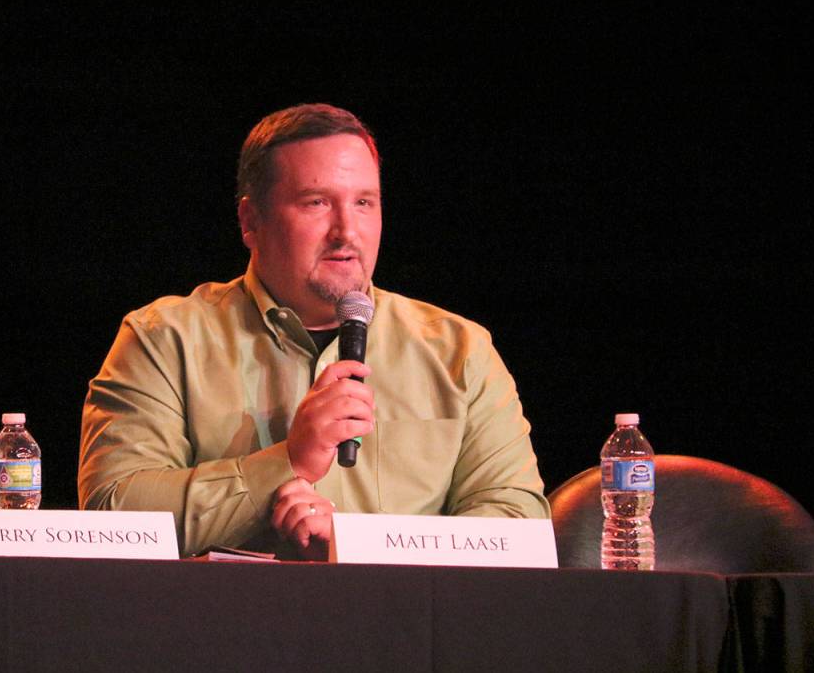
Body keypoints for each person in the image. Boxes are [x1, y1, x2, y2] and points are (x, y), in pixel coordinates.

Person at [78, 103, 549, 559]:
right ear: (250, 221)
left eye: (364, 203)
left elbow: (519, 523)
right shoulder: (164, 339)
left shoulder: (460, 350)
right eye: (317, 203)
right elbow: (113, 513)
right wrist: (288, 463)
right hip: (222, 630)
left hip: (402, 631)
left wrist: (356, 545)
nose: (347, 231)